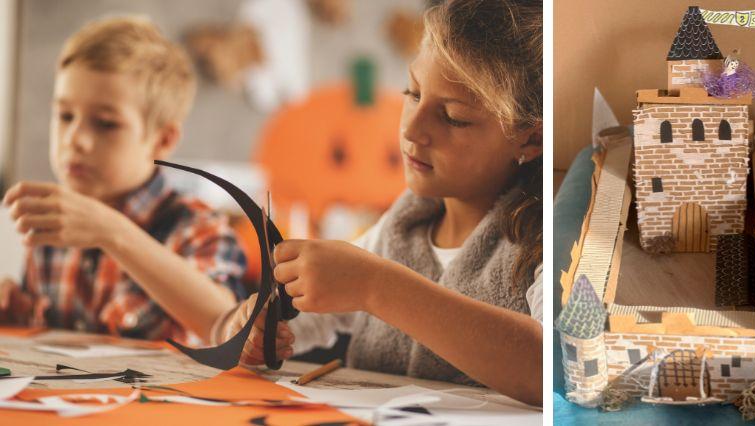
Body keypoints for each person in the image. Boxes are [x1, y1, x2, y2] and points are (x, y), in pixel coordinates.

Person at [215, 0, 543, 405]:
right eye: (412, 93)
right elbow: (286, 327)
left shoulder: (547, 238)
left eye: (454, 117)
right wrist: (248, 327)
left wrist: (376, 285)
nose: (411, 128)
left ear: (530, 139)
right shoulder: (398, 227)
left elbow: (550, 367)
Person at [0, 16, 248, 345]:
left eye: (105, 123)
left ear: (162, 140)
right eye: (65, 116)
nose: (75, 139)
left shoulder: (197, 227)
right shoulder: (47, 229)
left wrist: (111, 231)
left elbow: (229, 328)